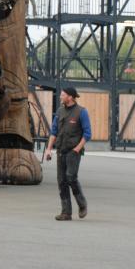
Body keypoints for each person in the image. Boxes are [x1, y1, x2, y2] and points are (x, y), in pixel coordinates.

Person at [44, 86, 92, 221]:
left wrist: (78, 148)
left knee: (71, 177)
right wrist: (49, 149)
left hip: (73, 151)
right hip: (61, 150)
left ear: (70, 97)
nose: (60, 96)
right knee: (62, 181)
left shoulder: (81, 112)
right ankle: (66, 212)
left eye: (63, 94)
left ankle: (82, 204)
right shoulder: (60, 111)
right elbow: (54, 132)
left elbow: (88, 134)